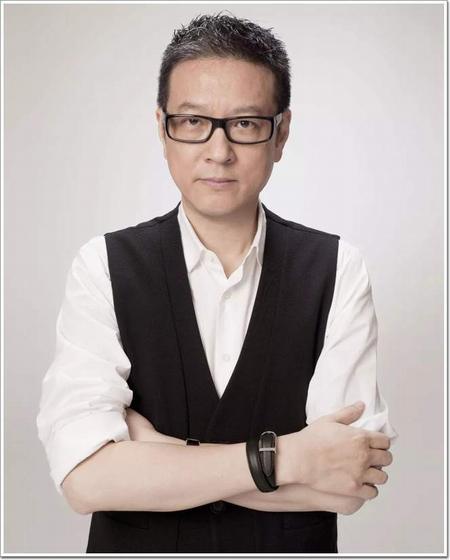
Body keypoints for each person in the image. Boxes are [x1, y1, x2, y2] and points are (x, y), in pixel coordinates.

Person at [36, 12, 398, 554]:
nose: (218, 150)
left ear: (281, 134)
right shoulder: (103, 265)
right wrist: (288, 459)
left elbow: (347, 484)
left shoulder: (337, 267)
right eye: (192, 121)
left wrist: (157, 452)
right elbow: (85, 480)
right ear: (162, 128)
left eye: (246, 124)